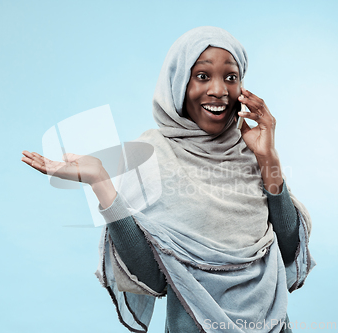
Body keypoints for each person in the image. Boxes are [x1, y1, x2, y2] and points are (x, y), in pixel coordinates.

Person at [21, 26, 315, 333]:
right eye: (202, 76)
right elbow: (152, 279)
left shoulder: (250, 150)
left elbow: (288, 248)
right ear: (177, 84)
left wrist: (269, 159)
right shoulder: (152, 157)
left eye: (231, 77)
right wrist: (101, 183)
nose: (219, 90)